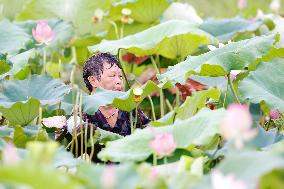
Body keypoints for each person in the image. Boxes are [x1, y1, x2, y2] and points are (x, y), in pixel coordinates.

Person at [64, 52, 150, 162]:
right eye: (112, 76)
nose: (119, 81)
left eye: (120, 76)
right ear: (93, 81)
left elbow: (149, 131)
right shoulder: (81, 112)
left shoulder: (129, 107)